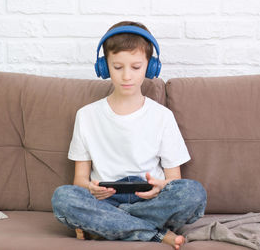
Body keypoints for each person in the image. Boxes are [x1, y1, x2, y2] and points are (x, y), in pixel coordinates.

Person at [51, 21, 207, 250]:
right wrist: (91, 188)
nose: (127, 76)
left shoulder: (162, 117)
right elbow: (79, 181)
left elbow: (175, 180)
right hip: (105, 200)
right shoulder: (86, 116)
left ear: (151, 67)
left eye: (135, 67)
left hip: (150, 200)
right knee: (63, 198)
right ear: (104, 67)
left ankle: (108, 226)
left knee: (194, 193)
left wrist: (161, 186)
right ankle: (154, 233)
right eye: (117, 67)